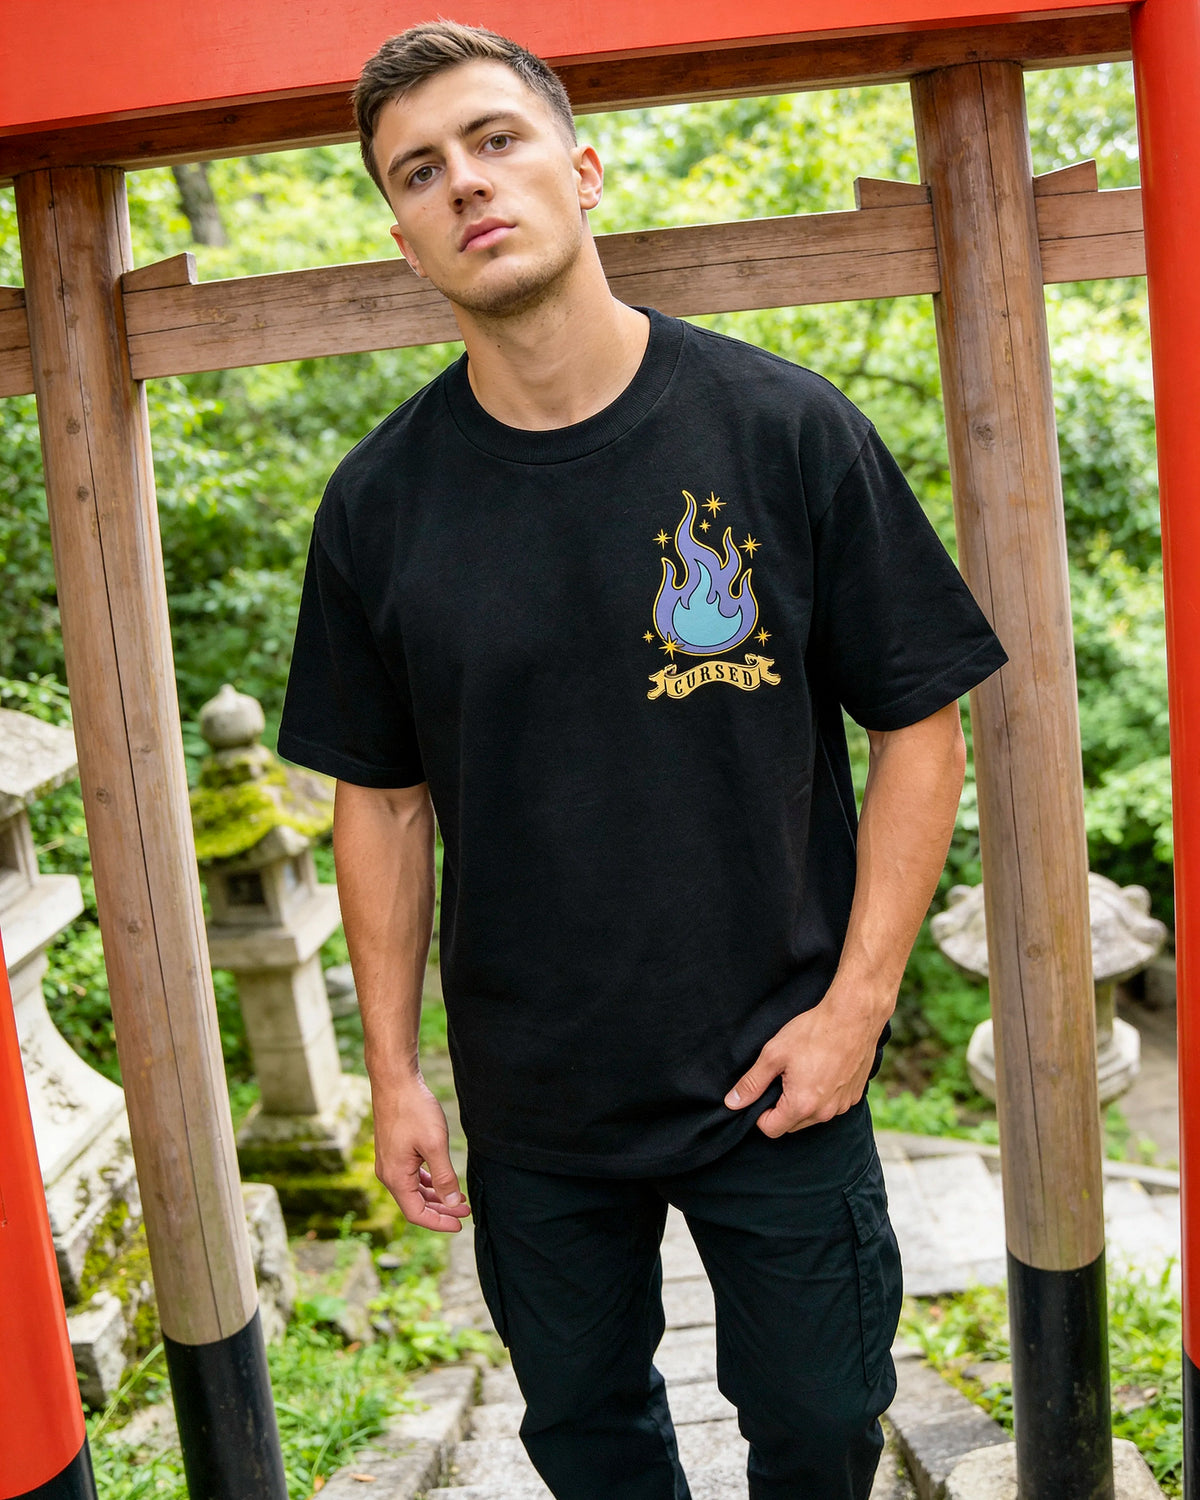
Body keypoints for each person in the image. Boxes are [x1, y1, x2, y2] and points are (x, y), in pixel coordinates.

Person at [277, 21, 1007, 1500]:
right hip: (535, 1101)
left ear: (584, 169)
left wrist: (858, 1009)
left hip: (780, 1069)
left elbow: (920, 723)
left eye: (496, 139)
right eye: (418, 171)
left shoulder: (782, 428)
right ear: (404, 236)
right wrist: (395, 1076)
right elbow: (383, 800)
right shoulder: (379, 506)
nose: (466, 182)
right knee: (587, 1442)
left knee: (822, 1420)